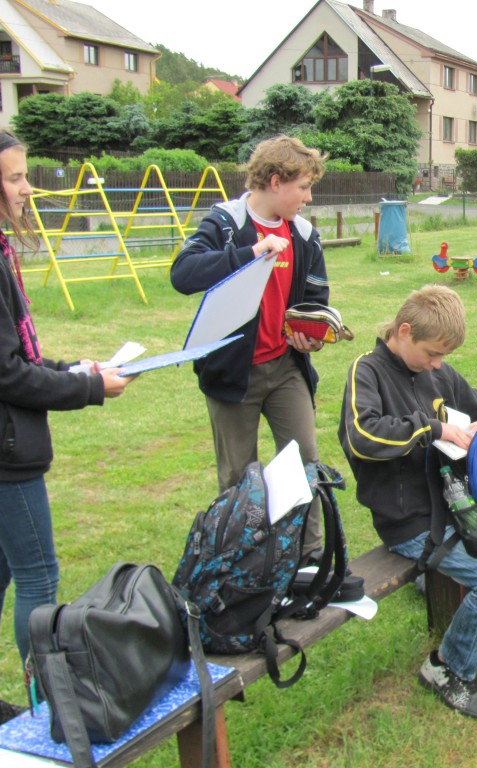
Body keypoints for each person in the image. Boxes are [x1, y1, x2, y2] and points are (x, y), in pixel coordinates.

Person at [338, 285, 477, 719]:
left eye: (444, 356)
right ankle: (447, 667)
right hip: (411, 520)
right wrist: (433, 430)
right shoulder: (367, 372)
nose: (438, 364)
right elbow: (361, 436)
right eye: (432, 354)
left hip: (465, 508)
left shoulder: (439, 373)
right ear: (404, 331)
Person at [0, 128, 132, 728]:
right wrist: (91, 389)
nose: (27, 189)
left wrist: (74, 369)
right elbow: (3, 374)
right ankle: (51, 711)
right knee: (37, 576)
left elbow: (11, 356)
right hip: (1, 455)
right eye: (15, 178)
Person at [171, 135, 330, 559]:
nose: (309, 198)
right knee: (238, 477)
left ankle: (309, 557)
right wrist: (252, 252)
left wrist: (310, 334)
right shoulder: (225, 223)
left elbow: (315, 300)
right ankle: (239, 564)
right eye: (303, 187)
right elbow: (183, 274)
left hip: (286, 369)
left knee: (305, 462)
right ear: (275, 181)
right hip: (231, 375)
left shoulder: (305, 235)